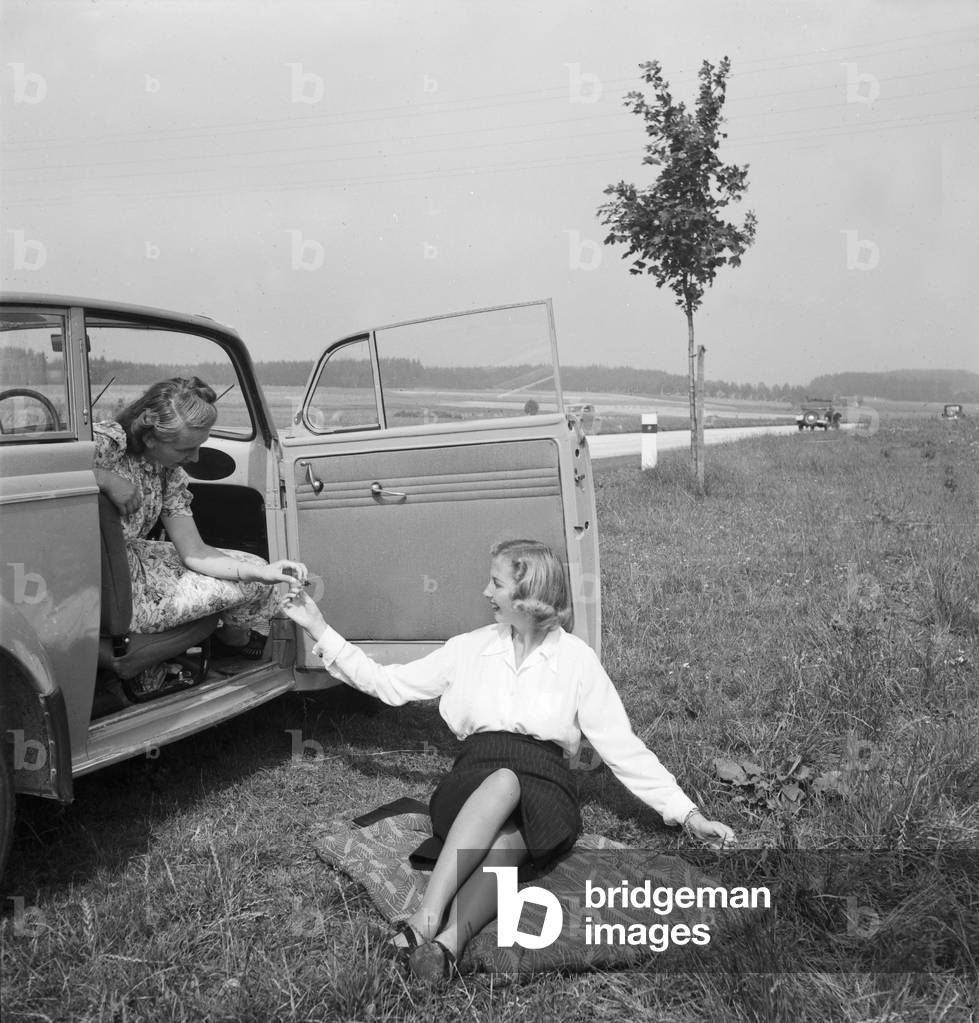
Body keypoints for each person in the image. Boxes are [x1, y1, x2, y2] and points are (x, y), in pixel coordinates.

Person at [280, 538, 736, 982]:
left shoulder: (577, 660)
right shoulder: (469, 647)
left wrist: (687, 813)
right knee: (502, 784)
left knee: (510, 832)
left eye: (495, 583)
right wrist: (319, 627)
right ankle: (431, 924)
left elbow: (622, 746)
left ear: (528, 593)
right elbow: (388, 683)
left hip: (546, 788)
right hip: (474, 781)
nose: (485, 592)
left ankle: (444, 944)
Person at [94, 376, 308, 657]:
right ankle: (236, 646)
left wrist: (262, 574)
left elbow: (193, 550)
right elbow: (37, 469)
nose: (195, 458)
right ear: (149, 437)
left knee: (256, 570)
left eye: (199, 446)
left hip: (130, 562)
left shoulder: (166, 470)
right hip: (99, 585)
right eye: (185, 449)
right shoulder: (108, 444)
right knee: (251, 584)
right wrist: (104, 479)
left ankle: (231, 641)